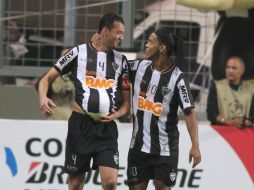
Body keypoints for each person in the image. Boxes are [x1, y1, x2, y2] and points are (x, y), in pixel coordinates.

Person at [37, 13, 130, 190]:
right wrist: (43, 97)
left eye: (122, 33)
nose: (121, 37)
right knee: (75, 183)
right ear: (104, 31)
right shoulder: (78, 52)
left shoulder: (122, 60)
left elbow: (126, 104)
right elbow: (45, 79)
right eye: (118, 32)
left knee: (110, 182)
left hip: (106, 129)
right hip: (80, 126)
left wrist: (116, 115)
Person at [127, 27, 201, 190]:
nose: (146, 45)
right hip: (138, 147)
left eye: (150, 42)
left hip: (166, 149)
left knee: (162, 187)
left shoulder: (178, 78)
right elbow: (116, 67)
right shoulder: (138, 67)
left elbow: (189, 113)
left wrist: (195, 145)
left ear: (162, 48)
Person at [207, 56, 254, 128]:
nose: (230, 70)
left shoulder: (251, 89)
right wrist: (228, 122)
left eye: (234, 68)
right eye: (228, 67)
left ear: (242, 70)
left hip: (245, 132)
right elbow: (211, 113)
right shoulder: (216, 86)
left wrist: (247, 122)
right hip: (221, 132)